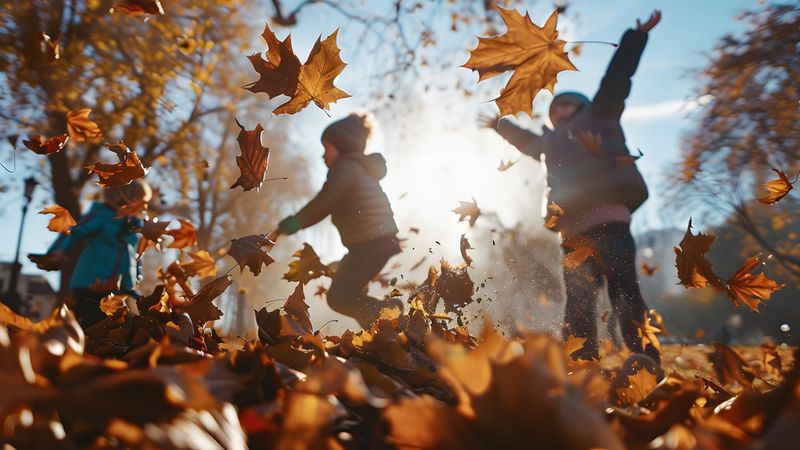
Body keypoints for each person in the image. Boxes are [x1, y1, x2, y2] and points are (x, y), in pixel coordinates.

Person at [480, 11, 662, 363]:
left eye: (567, 105)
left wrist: (635, 37)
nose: (560, 112)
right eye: (554, 109)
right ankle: (581, 362)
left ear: (584, 106)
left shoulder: (600, 116)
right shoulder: (550, 142)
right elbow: (526, 141)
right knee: (578, 300)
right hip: (572, 232)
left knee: (625, 293)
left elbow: (617, 78)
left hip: (611, 220)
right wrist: (499, 128)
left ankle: (645, 359)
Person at [272, 113, 402, 328]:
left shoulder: (345, 168)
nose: (323, 156)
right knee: (352, 293)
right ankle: (381, 334)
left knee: (339, 297)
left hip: (371, 244)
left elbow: (325, 202)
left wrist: (292, 224)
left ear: (342, 146)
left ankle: (390, 316)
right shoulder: (356, 169)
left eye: (327, 149)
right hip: (372, 244)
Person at [38, 180, 151, 329]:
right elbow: (75, 231)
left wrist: (136, 277)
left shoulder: (135, 225)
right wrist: (59, 250)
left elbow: (134, 255)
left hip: (119, 288)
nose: (143, 206)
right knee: (92, 324)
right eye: (140, 200)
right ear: (124, 196)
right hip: (91, 282)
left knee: (116, 330)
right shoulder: (102, 213)